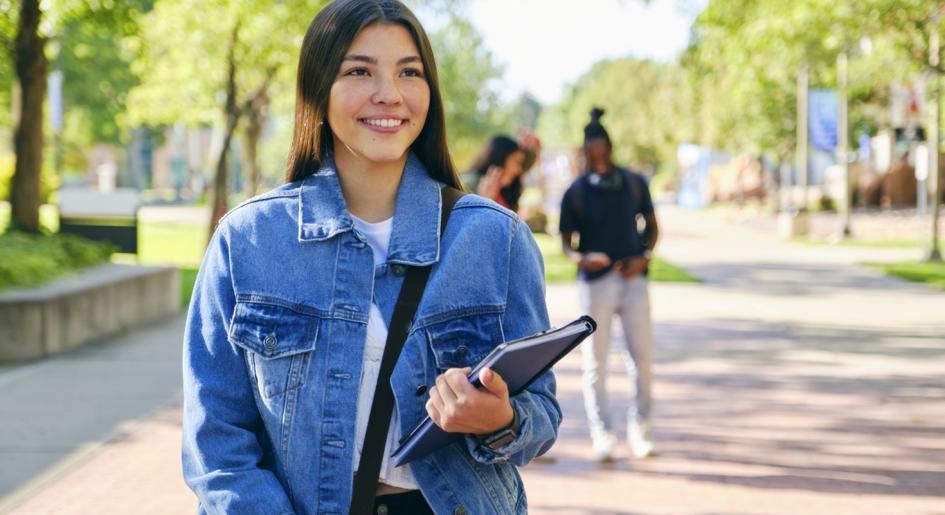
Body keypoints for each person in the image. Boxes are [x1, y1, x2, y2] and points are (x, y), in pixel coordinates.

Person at [181, 1, 560, 514]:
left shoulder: (497, 239)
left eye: (410, 72)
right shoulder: (247, 241)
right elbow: (217, 443)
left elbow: (541, 413)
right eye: (359, 71)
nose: (390, 94)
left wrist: (499, 419)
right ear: (318, 87)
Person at [559, 107, 659, 462]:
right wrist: (582, 259)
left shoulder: (634, 182)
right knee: (595, 363)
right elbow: (566, 245)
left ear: (611, 149)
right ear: (584, 152)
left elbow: (651, 224)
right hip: (595, 284)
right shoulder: (576, 192)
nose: (598, 160)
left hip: (633, 281)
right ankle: (603, 433)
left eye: (603, 152)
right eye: (591, 154)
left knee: (642, 359)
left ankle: (641, 428)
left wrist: (644, 256)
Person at [463, 134, 528, 211]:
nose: (518, 170)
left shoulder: (505, 192)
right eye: (517, 162)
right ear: (500, 158)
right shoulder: (468, 184)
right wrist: (484, 203)